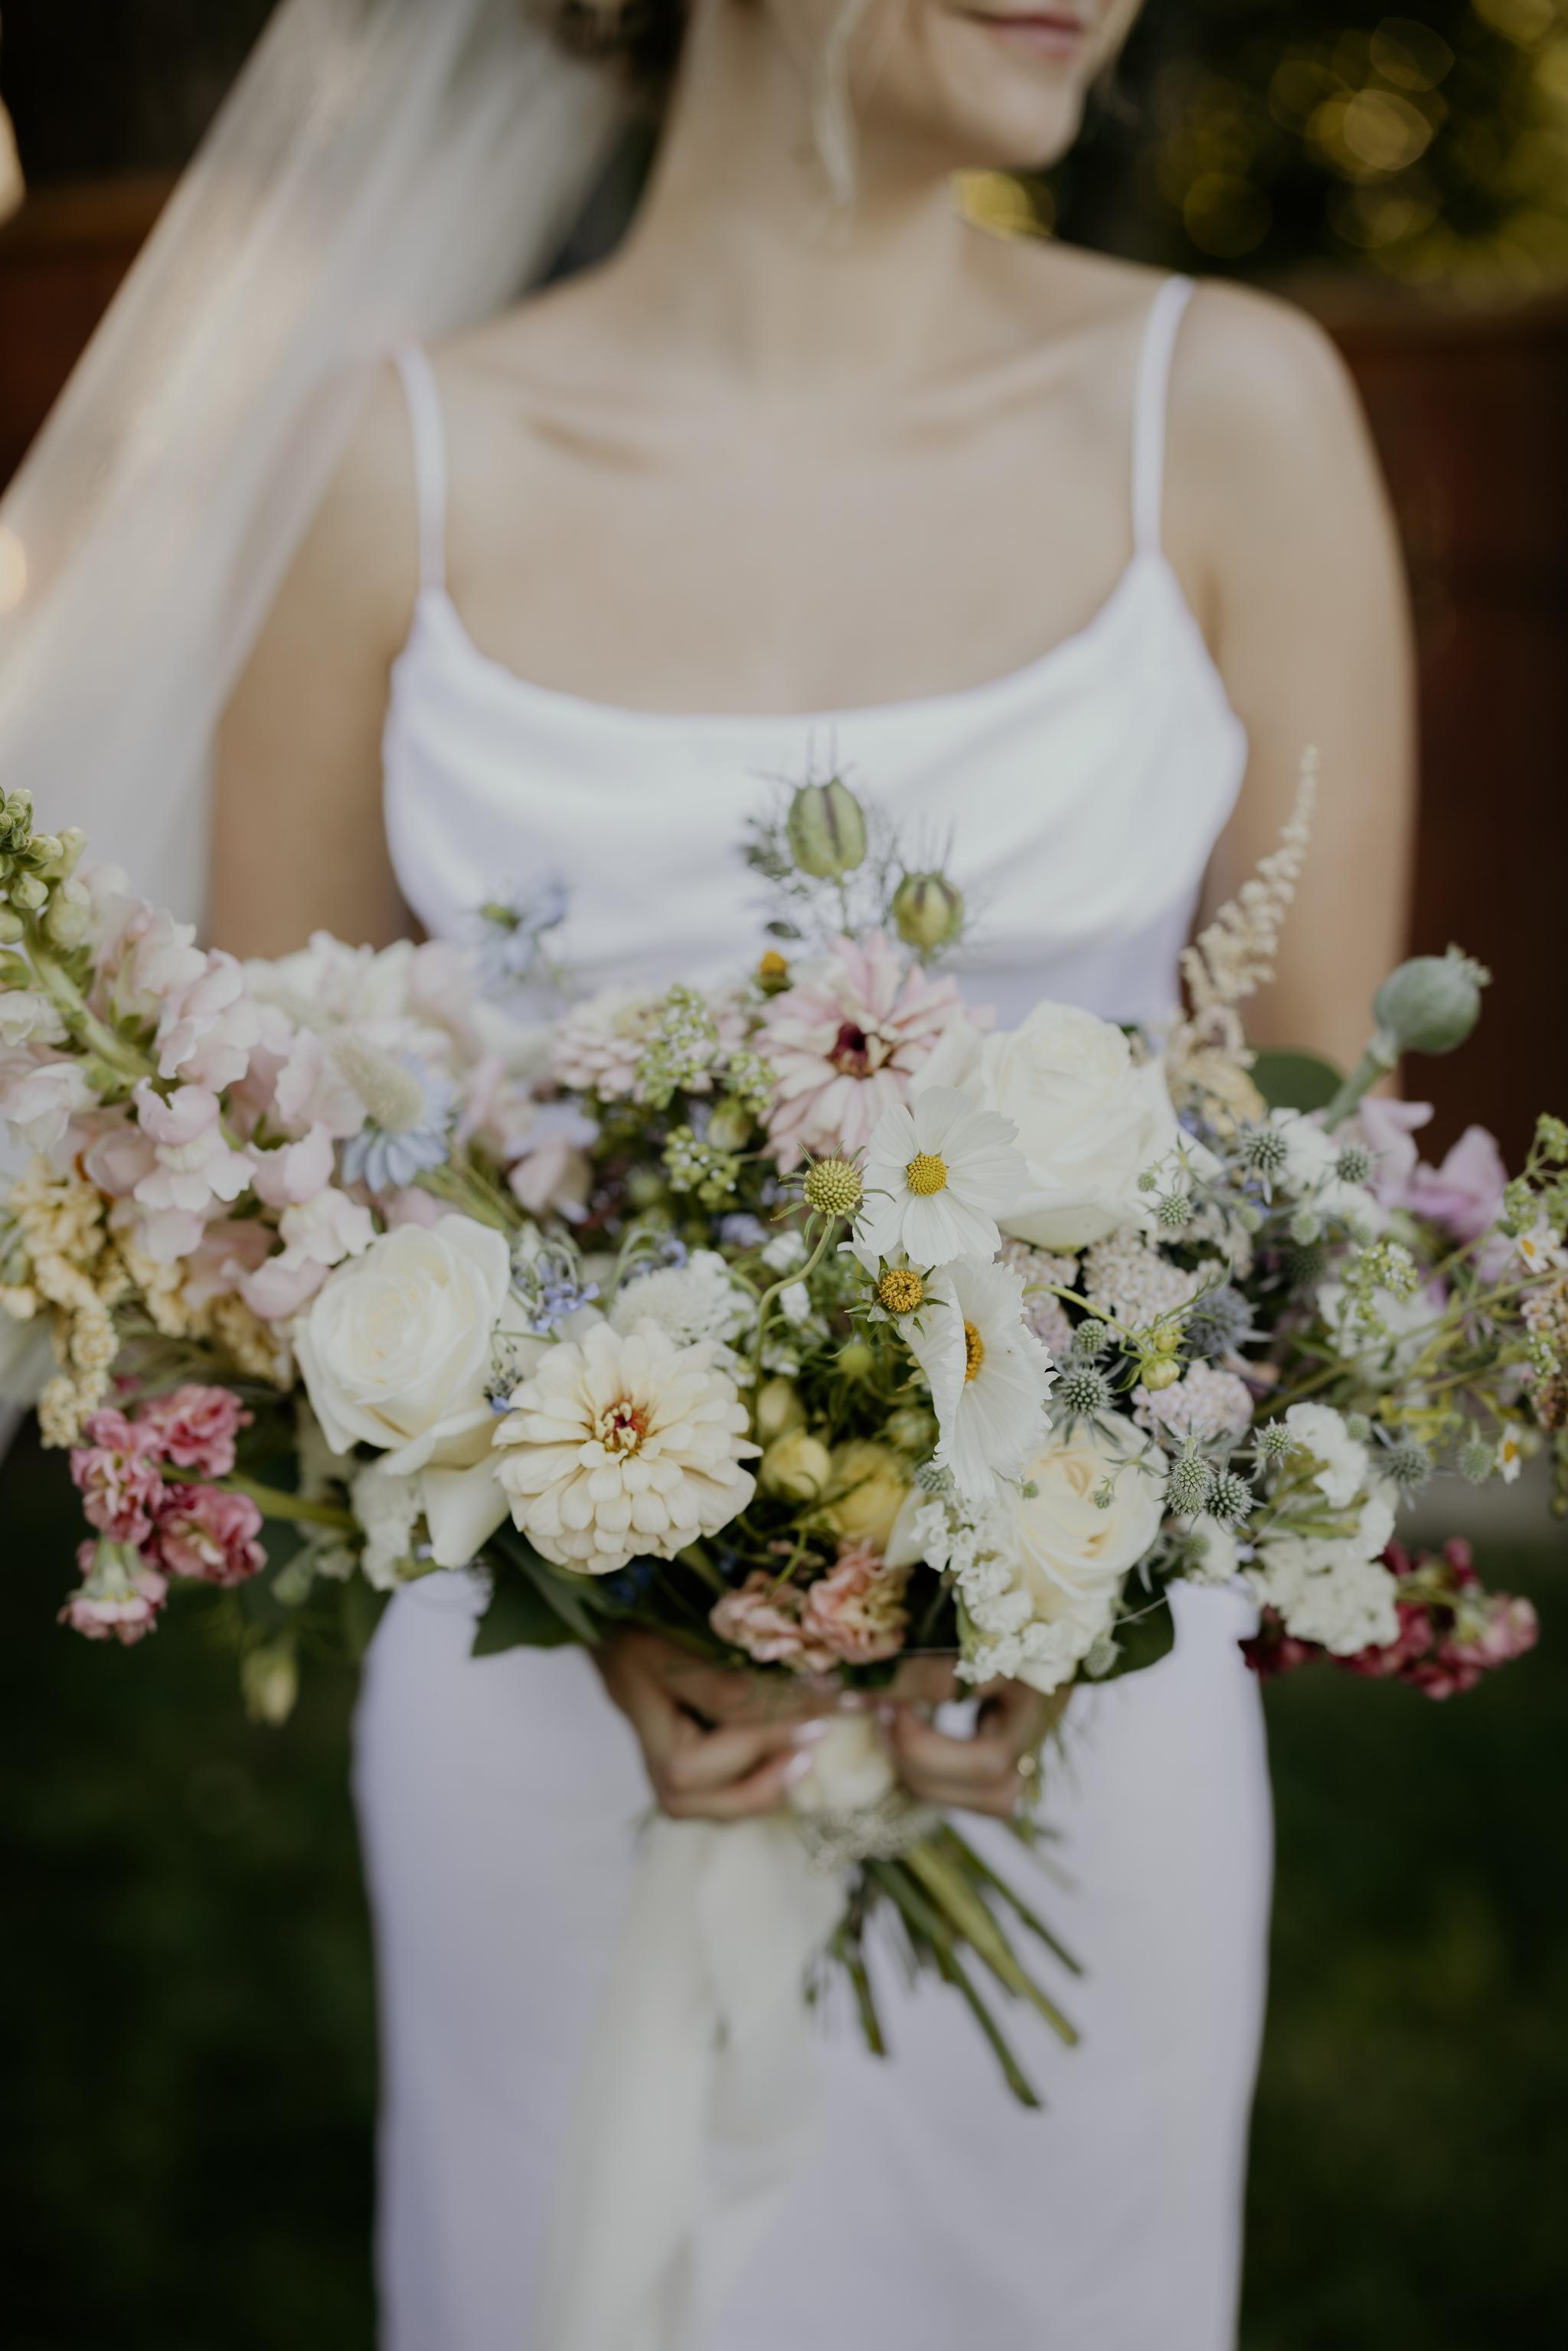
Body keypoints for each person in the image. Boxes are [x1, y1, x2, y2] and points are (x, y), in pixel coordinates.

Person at [209, 1, 1414, 2343]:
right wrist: (604, 1591)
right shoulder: (392, 467)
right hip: (552, 1720)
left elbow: (1314, 1148)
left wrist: (1068, 1564)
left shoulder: (1231, 412)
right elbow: (275, 1188)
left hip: (1068, 1721)